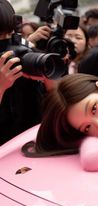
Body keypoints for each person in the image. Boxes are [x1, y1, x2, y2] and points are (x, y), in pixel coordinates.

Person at [0, 0, 56, 145]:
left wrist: (49, 81)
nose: (6, 44)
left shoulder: (24, 55)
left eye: (10, 34)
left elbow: (56, 108)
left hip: (36, 143)